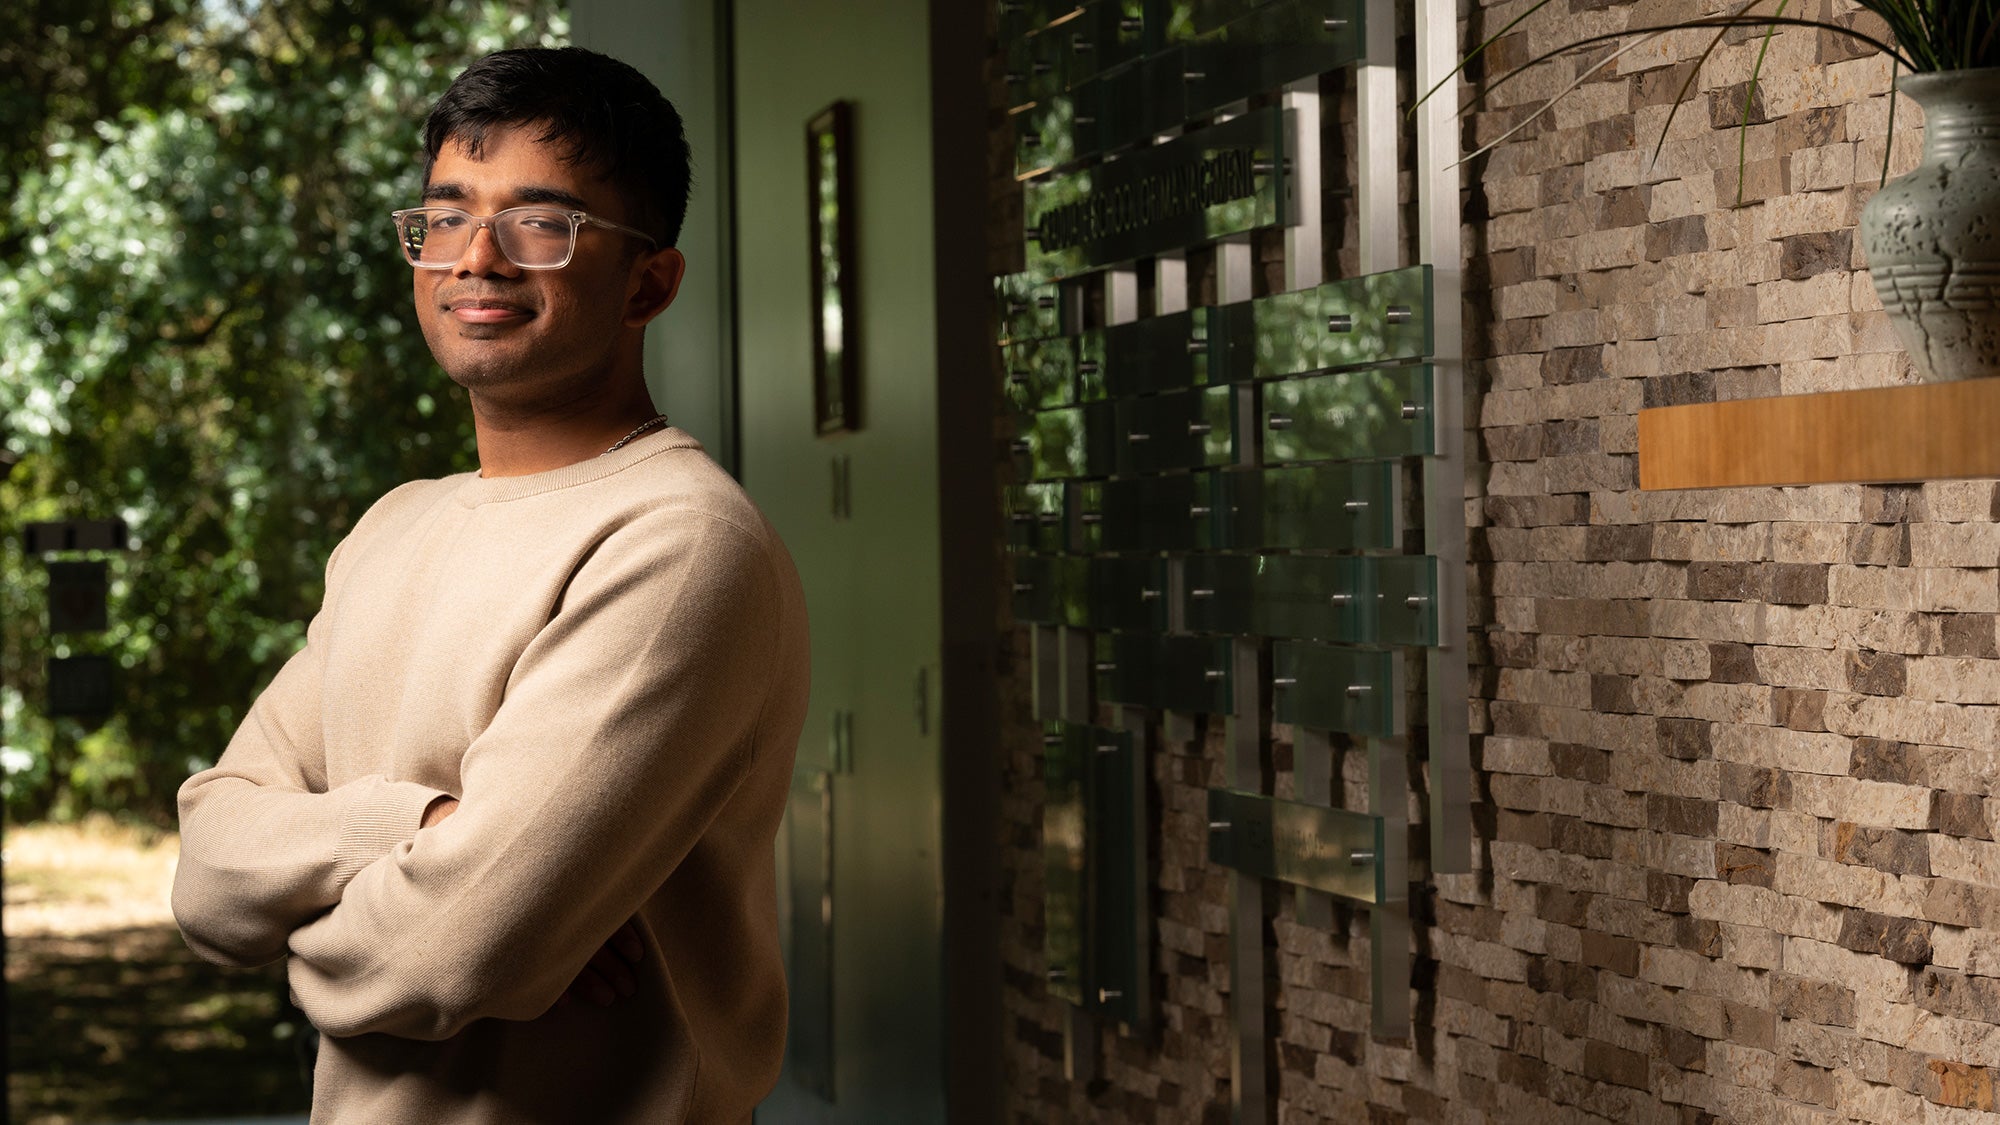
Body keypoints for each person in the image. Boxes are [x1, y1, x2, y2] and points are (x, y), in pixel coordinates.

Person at [171, 46, 809, 1125]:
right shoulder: (394, 527)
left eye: (541, 223)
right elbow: (207, 871)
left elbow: (446, 958)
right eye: (445, 216)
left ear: (648, 282)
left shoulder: (678, 543)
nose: (477, 259)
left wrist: (308, 931)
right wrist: (415, 826)